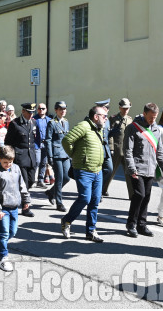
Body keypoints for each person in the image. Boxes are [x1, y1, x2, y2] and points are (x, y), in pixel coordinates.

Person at [123, 103, 163, 238]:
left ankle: (141, 225)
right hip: (137, 169)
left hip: (150, 169)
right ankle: (131, 224)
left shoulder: (156, 129)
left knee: (146, 197)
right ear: (144, 114)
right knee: (139, 195)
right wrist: (131, 168)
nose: (152, 120)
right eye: (151, 117)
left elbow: (160, 151)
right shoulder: (132, 128)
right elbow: (128, 151)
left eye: (155, 118)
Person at [60, 104, 107, 243]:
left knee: (95, 201)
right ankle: (67, 221)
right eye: (103, 116)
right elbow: (66, 140)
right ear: (96, 116)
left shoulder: (99, 128)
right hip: (83, 169)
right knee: (85, 198)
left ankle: (91, 231)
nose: (106, 118)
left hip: (97, 170)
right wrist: (75, 156)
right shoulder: (84, 126)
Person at [0, 145, 31, 272]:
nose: (8, 164)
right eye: (5, 162)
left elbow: (22, 185)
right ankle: (3, 257)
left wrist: (26, 200)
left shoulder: (16, 168)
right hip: (2, 209)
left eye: (10, 162)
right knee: (5, 233)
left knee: (13, 232)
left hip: (14, 206)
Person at [4, 102, 37, 215]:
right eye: (28, 112)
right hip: (20, 157)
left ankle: (17, 197)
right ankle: (25, 206)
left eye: (32, 112)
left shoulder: (33, 122)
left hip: (31, 156)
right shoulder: (15, 123)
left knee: (32, 180)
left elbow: (35, 139)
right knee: (25, 183)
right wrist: (10, 156)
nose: (31, 115)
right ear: (23, 111)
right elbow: (8, 142)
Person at [44, 101, 71, 212]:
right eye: (60, 109)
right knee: (59, 178)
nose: (63, 111)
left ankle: (51, 192)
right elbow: (48, 140)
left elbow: (68, 138)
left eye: (64, 109)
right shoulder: (52, 123)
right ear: (56, 110)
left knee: (67, 177)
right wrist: (50, 156)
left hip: (66, 154)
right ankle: (59, 203)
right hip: (56, 154)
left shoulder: (66, 121)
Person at [107, 98, 133, 198]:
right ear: (120, 108)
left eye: (127, 108)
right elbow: (110, 134)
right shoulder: (113, 118)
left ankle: (132, 194)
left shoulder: (130, 119)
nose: (126, 110)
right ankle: (103, 189)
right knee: (111, 171)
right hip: (116, 149)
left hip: (127, 150)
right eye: (124, 108)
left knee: (129, 173)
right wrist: (111, 148)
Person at [34, 103, 51, 188]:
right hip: (36, 144)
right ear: (37, 109)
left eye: (43, 108)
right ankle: (32, 179)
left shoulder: (49, 120)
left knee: (44, 163)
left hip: (45, 144)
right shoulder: (34, 119)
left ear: (46, 109)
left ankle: (40, 180)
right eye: (40, 109)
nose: (41, 110)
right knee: (37, 161)